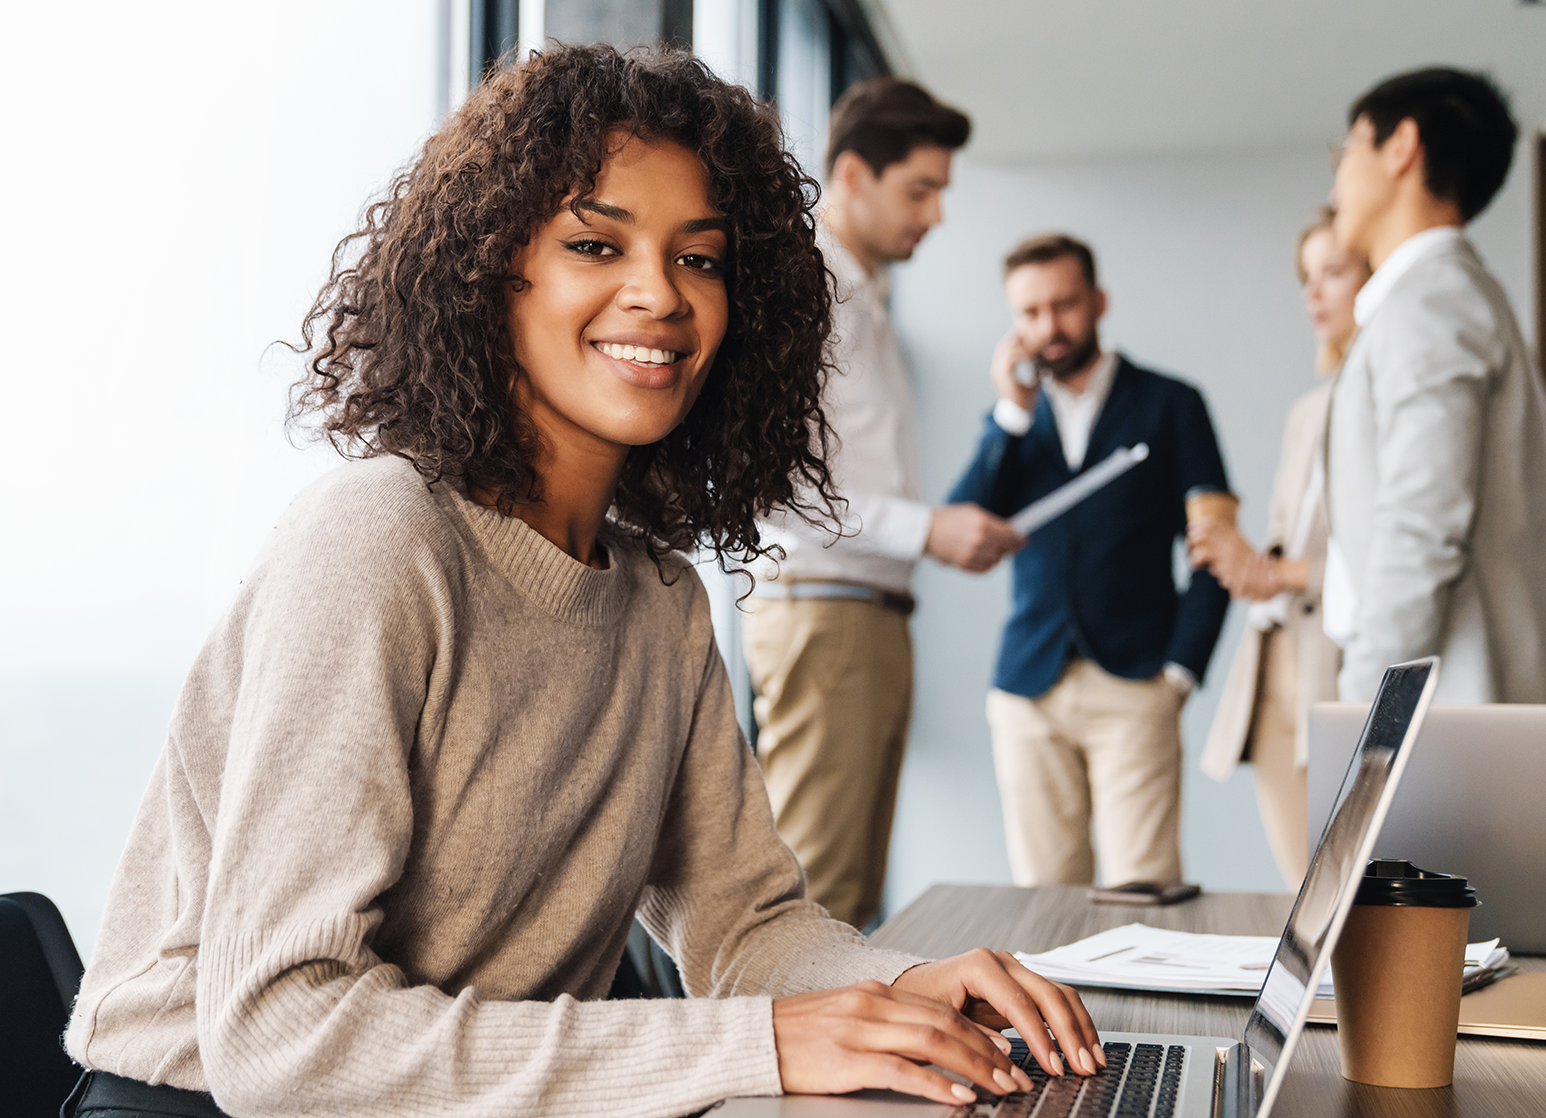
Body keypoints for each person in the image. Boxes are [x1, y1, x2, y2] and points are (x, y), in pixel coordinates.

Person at [60, 47, 1104, 1118]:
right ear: (487, 270)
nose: (659, 293)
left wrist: (895, 991)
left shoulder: (659, 599)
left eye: (698, 259)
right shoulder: (377, 537)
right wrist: (748, 1041)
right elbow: (283, 1035)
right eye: (595, 244)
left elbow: (744, 923)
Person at [745, 78, 1020, 931]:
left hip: (864, 614)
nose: (935, 215)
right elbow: (776, 485)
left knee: (850, 900)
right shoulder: (813, 292)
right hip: (829, 614)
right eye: (921, 190)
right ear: (855, 177)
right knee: (816, 899)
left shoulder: (864, 296)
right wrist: (927, 528)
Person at [949, 234, 1231, 890]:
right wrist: (1009, 416)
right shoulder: (1015, 422)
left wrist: (1182, 671)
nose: (1049, 327)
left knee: (1144, 891)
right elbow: (961, 528)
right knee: (1044, 900)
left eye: (1065, 305)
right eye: (1029, 313)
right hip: (1028, 687)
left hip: (1136, 683)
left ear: (1098, 302)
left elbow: (1217, 547)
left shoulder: (1171, 404)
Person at [1321, 67, 1546, 705]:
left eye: (1347, 151)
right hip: (1455, 708)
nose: (1335, 184)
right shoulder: (1448, 297)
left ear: (1402, 146)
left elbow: (1422, 524)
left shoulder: (1432, 302)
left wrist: (1362, 705)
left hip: (1445, 714)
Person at [1192, 212, 1368, 889]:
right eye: (1305, 278)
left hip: (1339, 665)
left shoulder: (1387, 405)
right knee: (1305, 893)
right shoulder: (1308, 410)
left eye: (1333, 272)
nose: (1312, 294)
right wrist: (1240, 559)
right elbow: (1289, 543)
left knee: (1351, 893)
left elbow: (1392, 559)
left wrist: (1273, 570)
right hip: (1271, 671)